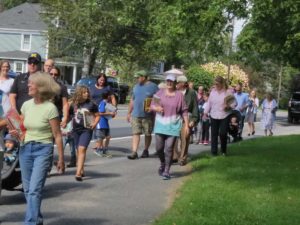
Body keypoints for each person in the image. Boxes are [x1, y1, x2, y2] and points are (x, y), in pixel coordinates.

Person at [10, 71, 65, 225]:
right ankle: (37, 219)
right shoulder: (26, 105)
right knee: (28, 190)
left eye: (31, 83)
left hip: (43, 150)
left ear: (41, 87)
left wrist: (60, 159)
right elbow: (22, 129)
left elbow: (58, 135)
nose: (28, 85)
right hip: (25, 148)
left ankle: (31, 222)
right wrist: (17, 132)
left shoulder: (50, 108)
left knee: (34, 190)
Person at [150, 74, 188, 179]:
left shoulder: (179, 95)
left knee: (169, 148)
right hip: (160, 124)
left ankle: (167, 170)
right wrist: (157, 109)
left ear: (175, 83)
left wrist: (186, 126)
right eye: (168, 81)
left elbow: (184, 110)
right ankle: (163, 163)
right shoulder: (159, 93)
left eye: (171, 81)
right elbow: (152, 105)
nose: (169, 83)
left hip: (173, 124)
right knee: (159, 148)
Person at [70, 86, 100, 181]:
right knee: (78, 150)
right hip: (76, 130)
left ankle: (78, 173)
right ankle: (81, 169)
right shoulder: (74, 104)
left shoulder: (91, 104)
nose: (86, 94)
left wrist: (94, 124)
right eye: (84, 92)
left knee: (82, 149)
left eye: (87, 92)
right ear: (79, 93)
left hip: (86, 130)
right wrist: (63, 123)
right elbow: (69, 115)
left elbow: (97, 116)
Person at [127, 70, 158, 159]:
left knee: (147, 134)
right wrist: (129, 113)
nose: (137, 79)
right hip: (135, 114)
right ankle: (134, 152)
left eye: (138, 77)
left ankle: (146, 150)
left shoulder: (153, 87)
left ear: (144, 77)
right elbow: (132, 100)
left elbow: (158, 100)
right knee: (135, 133)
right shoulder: (136, 87)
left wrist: (154, 109)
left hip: (148, 115)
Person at [203, 76, 234, 156]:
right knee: (214, 134)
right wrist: (205, 112)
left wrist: (228, 106)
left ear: (222, 84)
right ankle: (214, 152)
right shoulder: (213, 92)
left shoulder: (227, 92)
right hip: (213, 115)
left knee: (223, 133)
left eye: (217, 84)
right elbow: (209, 103)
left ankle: (223, 150)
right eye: (215, 84)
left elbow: (234, 103)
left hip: (224, 115)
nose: (216, 86)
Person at [173, 75, 199, 166]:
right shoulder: (174, 92)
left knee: (185, 137)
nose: (177, 84)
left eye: (178, 83)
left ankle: (183, 158)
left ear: (183, 83)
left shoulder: (191, 93)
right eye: (177, 83)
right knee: (173, 138)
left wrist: (194, 119)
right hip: (175, 119)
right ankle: (175, 156)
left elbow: (195, 107)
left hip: (187, 118)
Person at [94, 92, 116, 157]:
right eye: (110, 96)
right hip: (100, 122)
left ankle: (105, 149)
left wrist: (112, 114)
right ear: (107, 96)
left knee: (108, 137)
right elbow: (100, 113)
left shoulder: (107, 103)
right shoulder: (102, 103)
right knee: (100, 137)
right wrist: (110, 113)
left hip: (105, 122)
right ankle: (98, 150)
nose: (111, 97)